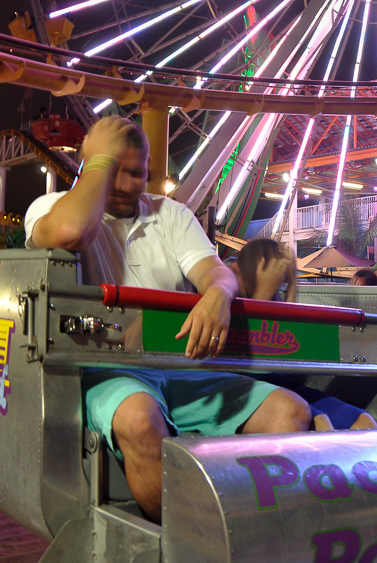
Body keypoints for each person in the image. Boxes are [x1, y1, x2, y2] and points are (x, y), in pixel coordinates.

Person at [24, 117, 310, 518]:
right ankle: (187, 538)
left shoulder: (171, 214)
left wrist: (218, 294)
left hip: (180, 365)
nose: (126, 185)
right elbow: (69, 231)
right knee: (140, 420)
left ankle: (250, 528)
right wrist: (96, 163)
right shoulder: (50, 208)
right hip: (110, 372)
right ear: (90, 164)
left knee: (290, 412)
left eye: (137, 173)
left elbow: (215, 273)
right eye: (113, 170)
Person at [233, 238, 377, 430]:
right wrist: (264, 292)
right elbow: (250, 349)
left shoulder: (273, 297)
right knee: (321, 424)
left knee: (364, 422)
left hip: (281, 383)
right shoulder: (231, 295)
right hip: (246, 384)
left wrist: (292, 283)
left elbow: (289, 330)